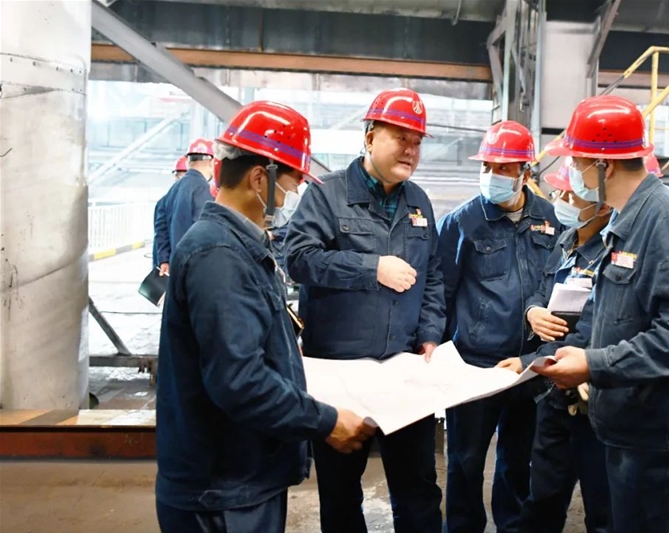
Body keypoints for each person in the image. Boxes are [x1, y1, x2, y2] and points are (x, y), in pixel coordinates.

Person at [155, 101, 376, 533]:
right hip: (222, 493)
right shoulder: (219, 256)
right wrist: (326, 421)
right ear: (260, 178)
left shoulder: (239, 246)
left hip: (239, 480)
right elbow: (239, 379)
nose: (293, 198)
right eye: (292, 186)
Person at [536, 95, 669, 533]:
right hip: (636, 428)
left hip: (666, 437)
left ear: (603, 166)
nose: (573, 173)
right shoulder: (628, 222)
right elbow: (622, 316)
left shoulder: (667, 220)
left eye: (578, 162)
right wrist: (581, 355)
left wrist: (594, 364)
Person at [285, 88, 446, 533]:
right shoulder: (327, 195)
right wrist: (370, 268)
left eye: (417, 142)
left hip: (403, 370)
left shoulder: (419, 203)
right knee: (340, 494)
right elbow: (298, 258)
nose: (410, 150)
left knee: (419, 491)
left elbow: (433, 275)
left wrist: (430, 333)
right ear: (371, 137)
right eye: (401, 138)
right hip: (340, 374)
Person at [435, 120, 561, 533]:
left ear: (525, 171)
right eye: (487, 166)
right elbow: (442, 291)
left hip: (529, 365)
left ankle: (512, 526)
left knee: (517, 460)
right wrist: (440, 356)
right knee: (465, 461)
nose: (493, 175)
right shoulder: (462, 222)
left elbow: (554, 280)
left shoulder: (550, 219)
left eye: (504, 168)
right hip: (475, 365)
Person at [497, 158, 612, 533]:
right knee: (542, 499)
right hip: (554, 396)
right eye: (559, 191)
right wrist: (533, 310)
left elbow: (592, 331)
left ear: (602, 206)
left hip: (592, 399)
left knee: (602, 508)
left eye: (569, 195)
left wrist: (528, 361)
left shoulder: (611, 255)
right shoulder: (565, 241)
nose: (559, 200)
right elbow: (541, 289)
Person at [155, 139, 215, 276]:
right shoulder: (203, 189)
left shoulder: (173, 190)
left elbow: (161, 227)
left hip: (176, 267)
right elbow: (203, 232)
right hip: (195, 269)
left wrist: (164, 259)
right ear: (212, 162)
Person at [152, 156, 187, 271]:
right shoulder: (164, 201)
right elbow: (161, 233)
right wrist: (163, 260)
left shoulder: (165, 200)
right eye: (179, 175)